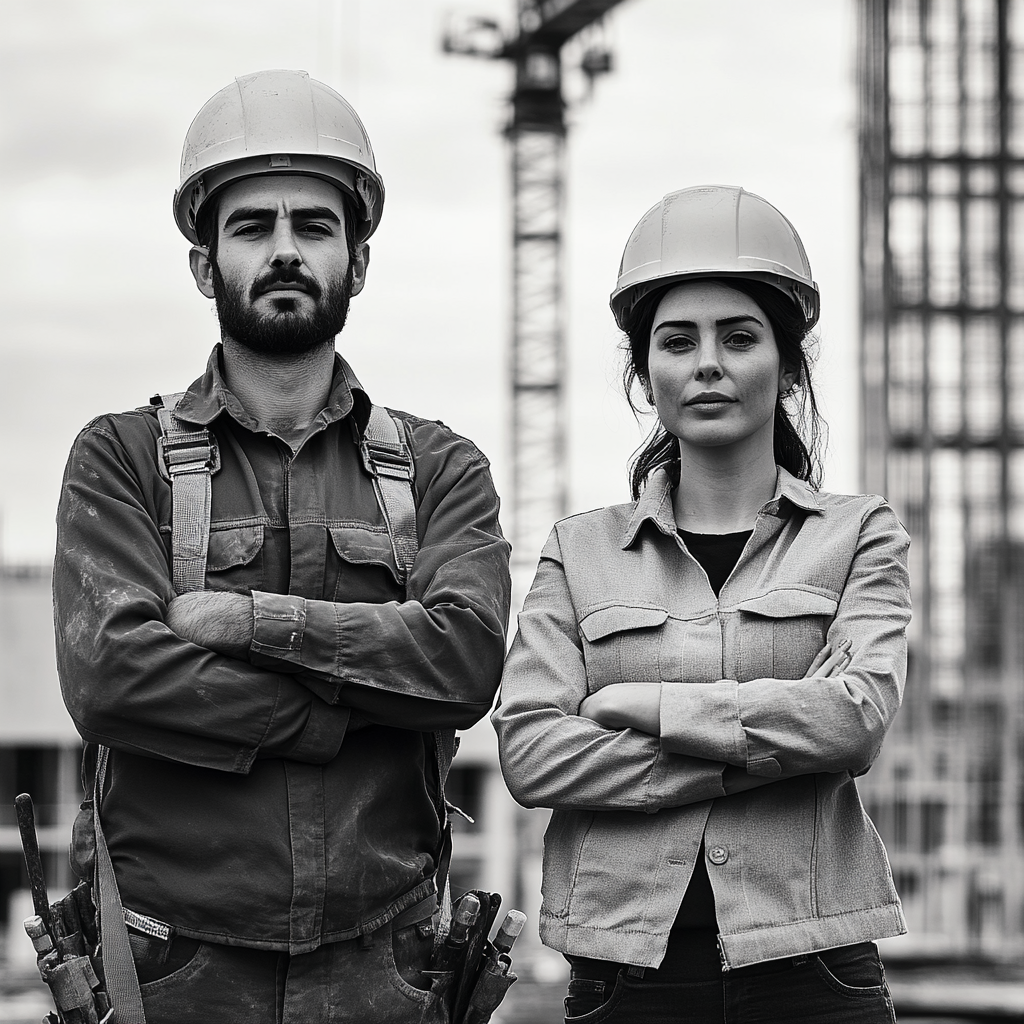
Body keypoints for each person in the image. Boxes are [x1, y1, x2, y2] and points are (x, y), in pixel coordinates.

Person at [53, 70, 511, 1024]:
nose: (285, 250)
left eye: (314, 225)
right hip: (171, 969)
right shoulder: (121, 460)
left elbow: (465, 663)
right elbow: (112, 678)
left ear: (359, 259)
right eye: (252, 225)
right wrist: (341, 711)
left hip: (386, 965)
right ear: (203, 263)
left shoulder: (439, 469)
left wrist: (244, 622)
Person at [492, 185, 910, 1023]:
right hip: (624, 977)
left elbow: (855, 720)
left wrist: (638, 704)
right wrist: (772, 744)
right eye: (677, 341)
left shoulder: (858, 535)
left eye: (740, 337)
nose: (707, 362)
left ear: (789, 366)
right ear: (646, 373)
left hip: (814, 968)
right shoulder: (580, 552)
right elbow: (532, 752)